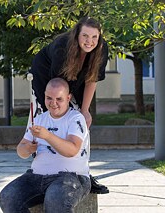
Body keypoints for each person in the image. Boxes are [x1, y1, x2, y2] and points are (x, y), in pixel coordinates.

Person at [29, 16, 109, 194]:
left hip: (77, 78)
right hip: (47, 78)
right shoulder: (62, 48)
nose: (90, 41)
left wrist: (85, 111)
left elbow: (92, 79)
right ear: (77, 35)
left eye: (94, 37)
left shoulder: (101, 49)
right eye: (85, 36)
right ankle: (41, 171)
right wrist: (60, 107)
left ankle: (83, 174)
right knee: (53, 119)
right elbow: (58, 85)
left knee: (81, 123)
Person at [0, 78, 91, 212]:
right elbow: (21, 150)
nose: (53, 103)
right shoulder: (39, 119)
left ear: (68, 97)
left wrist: (47, 136)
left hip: (71, 177)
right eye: (49, 98)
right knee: (7, 197)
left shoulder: (76, 118)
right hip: (36, 176)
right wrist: (27, 149)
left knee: (55, 199)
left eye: (59, 99)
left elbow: (72, 150)